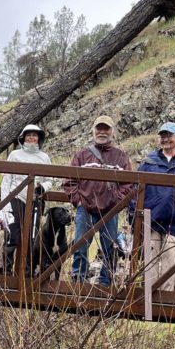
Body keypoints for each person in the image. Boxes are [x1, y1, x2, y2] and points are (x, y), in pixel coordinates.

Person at [130, 122, 175, 292]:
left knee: (171, 261)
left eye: (169, 135)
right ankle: (149, 297)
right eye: (163, 136)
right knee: (150, 261)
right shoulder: (148, 162)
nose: (165, 139)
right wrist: (134, 214)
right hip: (151, 219)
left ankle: (166, 301)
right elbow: (136, 190)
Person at [64, 116, 132, 285]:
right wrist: (78, 201)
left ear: (112, 132)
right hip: (85, 208)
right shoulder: (81, 155)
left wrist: (117, 202)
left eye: (106, 129)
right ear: (93, 131)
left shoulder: (121, 157)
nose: (102, 132)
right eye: (99, 128)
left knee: (110, 247)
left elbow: (129, 184)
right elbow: (69, 180)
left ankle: (105, 281)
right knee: (80, 245)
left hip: (110, 210)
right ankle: (78, 278)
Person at [0, 124, 52, 275]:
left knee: (32, 237)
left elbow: (50, 179)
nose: (31, 137)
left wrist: (43, 187)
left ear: (39, 138)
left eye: (34, 135)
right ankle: (6, 271)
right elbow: (6, 179)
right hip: (15, 198)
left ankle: (27, 271)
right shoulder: (15, 155)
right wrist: (4, 203)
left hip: (35, 200)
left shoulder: (44, 157)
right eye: (28, 135)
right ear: (23, 137)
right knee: (11, 234)